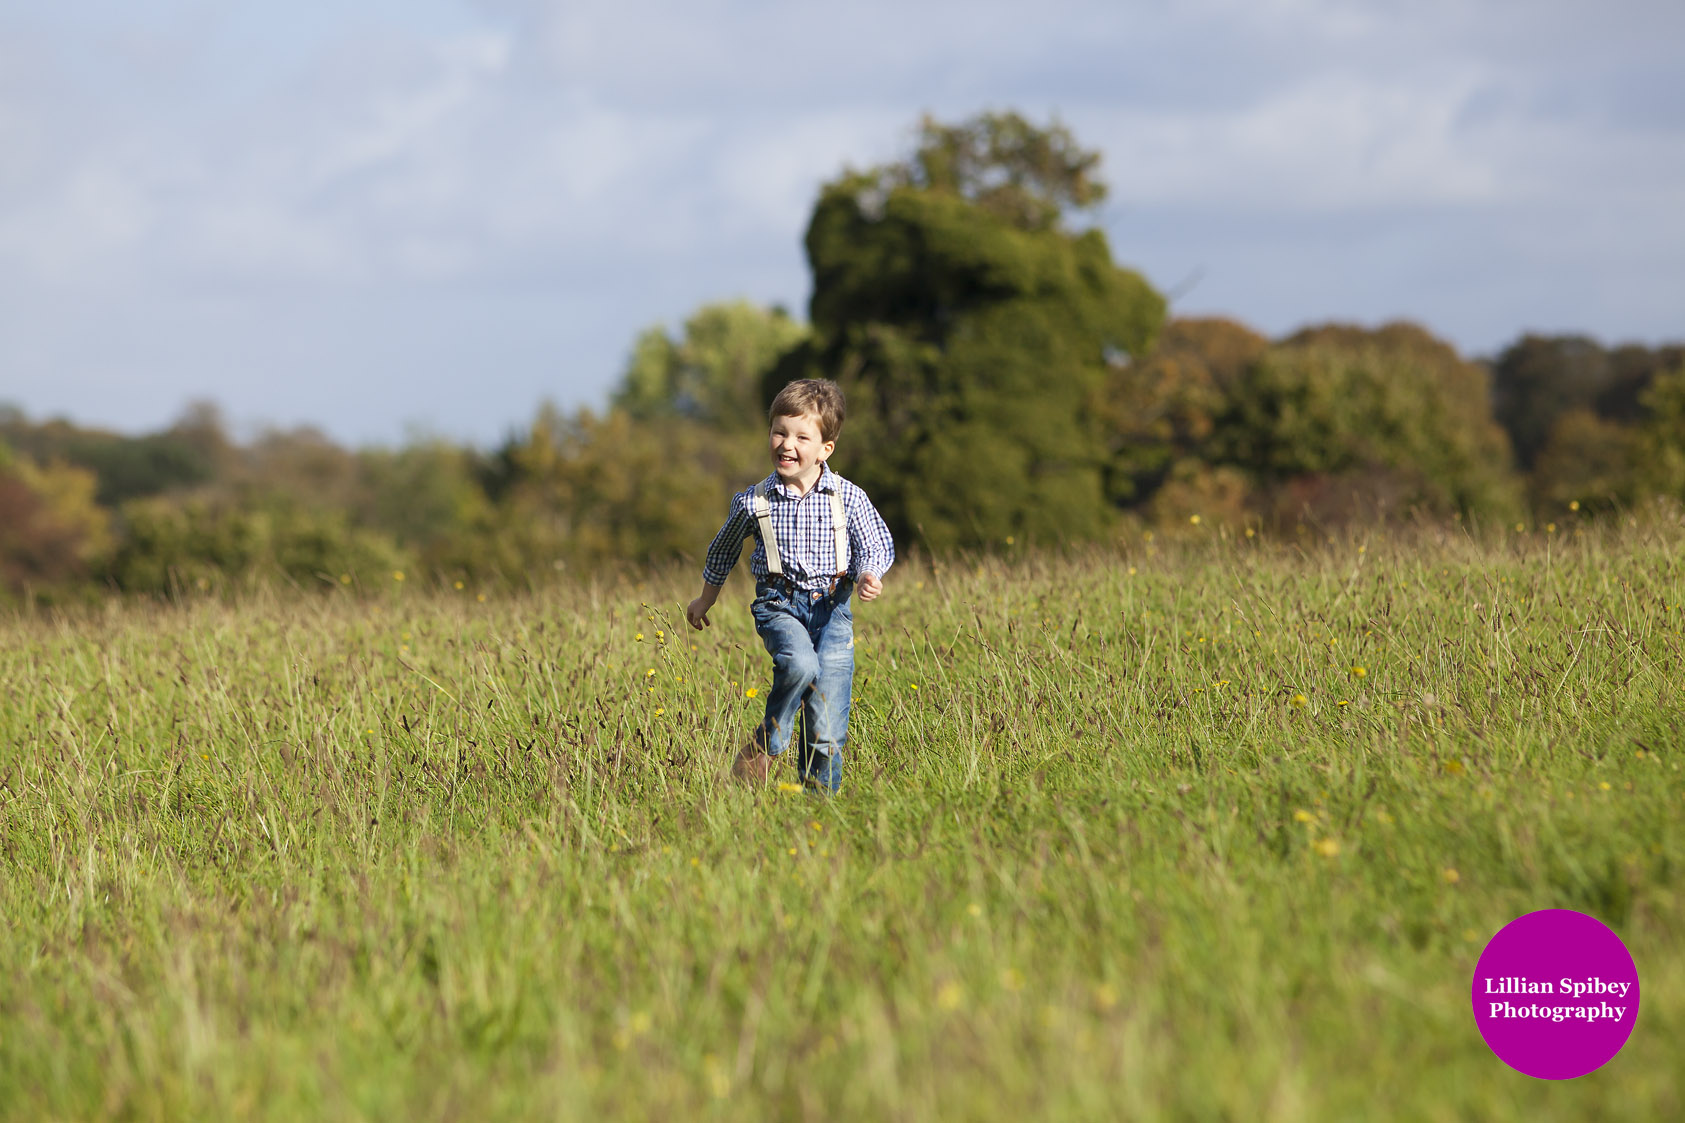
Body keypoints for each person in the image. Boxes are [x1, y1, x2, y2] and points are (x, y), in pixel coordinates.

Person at [685, 379, 894, 793]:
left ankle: (818, 811)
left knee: (827, 721)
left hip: (834, 611)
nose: (787, 444)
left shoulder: (847, 497)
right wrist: (705, 600)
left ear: (825, 449)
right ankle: (767, 743)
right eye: (779, 431)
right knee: (800, 665)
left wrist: (871, 573)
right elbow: (722, 550)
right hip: (779, 605)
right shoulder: (755, 500)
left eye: (801, 436)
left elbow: (876, 541)